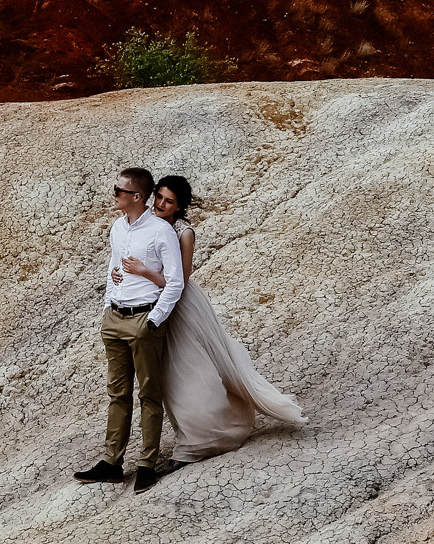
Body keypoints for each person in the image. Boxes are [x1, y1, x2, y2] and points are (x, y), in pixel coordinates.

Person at [116, 174, 304, 487]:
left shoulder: (183, 232)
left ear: (179, 206)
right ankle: (192, 433)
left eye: (169, 201)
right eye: (159, 197)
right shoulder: (147, 222)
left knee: (187, 370)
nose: (161, 204)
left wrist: (144, 272)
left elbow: (180, 281)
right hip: (150, 304)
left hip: (179, 307)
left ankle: (204, 438)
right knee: (166, 376)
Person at [75, 168, 184, 492]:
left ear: (137, 196)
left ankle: (147, 465)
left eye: (118, 190)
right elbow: (113, 268)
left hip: (143, 319)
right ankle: (112, 463)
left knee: (149, 394)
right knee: (117, 394)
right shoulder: (118, 228)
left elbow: (175, 282)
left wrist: (154, 320)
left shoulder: (160, 231)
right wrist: (107, 309)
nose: (114, 195)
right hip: (115, 319)